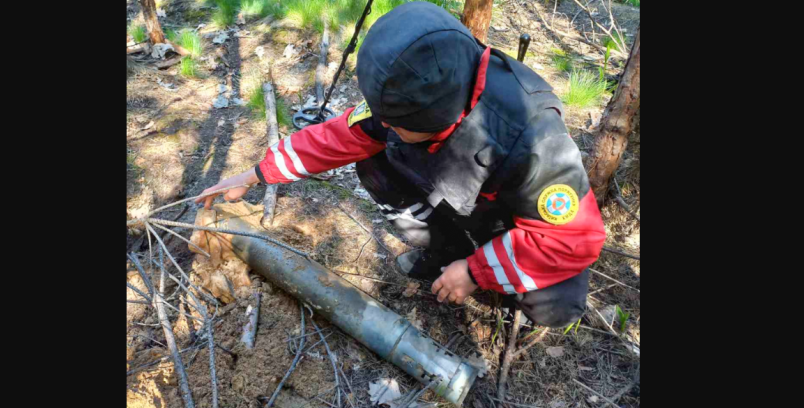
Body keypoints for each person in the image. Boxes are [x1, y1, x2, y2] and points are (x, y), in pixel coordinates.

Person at [196, 1, 605, 327]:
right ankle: (445, 252)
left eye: (396, 122)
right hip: (458, 197)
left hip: (515, 222)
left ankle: (483, 277)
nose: (382, 123)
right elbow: (340, 135)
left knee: (558, 306)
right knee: (373, 164)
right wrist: (256, 175)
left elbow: (574, 239)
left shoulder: (533, 139)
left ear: (438, 119)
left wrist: (477, 272)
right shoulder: (414, 85)